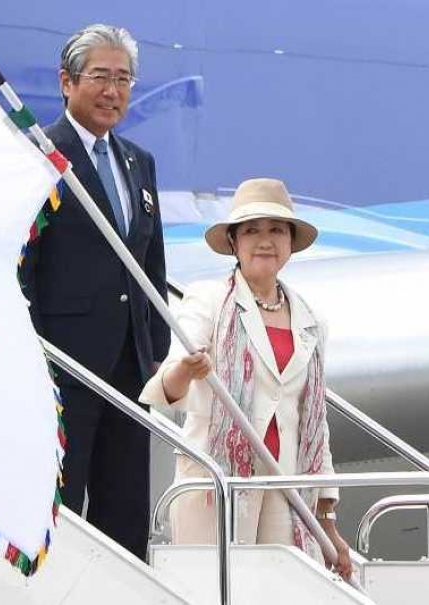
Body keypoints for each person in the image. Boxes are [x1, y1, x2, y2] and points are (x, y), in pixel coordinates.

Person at [139, 178, 353, 579]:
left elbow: (315, 424)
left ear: (290, 243)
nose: (265, 240)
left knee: (283, 588)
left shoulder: (311, 319)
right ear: (234, 243)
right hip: (216, 484)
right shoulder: (208, 300)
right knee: (214, 588)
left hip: (286, 486)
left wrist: (327, 518)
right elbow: (165, 390)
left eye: (276, 230)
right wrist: (188, 369)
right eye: (252, 230)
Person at [20, 24, 170, 560]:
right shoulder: (39, 154)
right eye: (101, 77)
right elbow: (24, 267)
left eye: (124, 80)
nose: (113, 91)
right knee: (57, 511)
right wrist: (36, 354)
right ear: (67, 82)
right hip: (65, 369)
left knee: (125, 514)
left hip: (131, 372)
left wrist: (154, 353)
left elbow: (151, 266)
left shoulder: (139, 162)